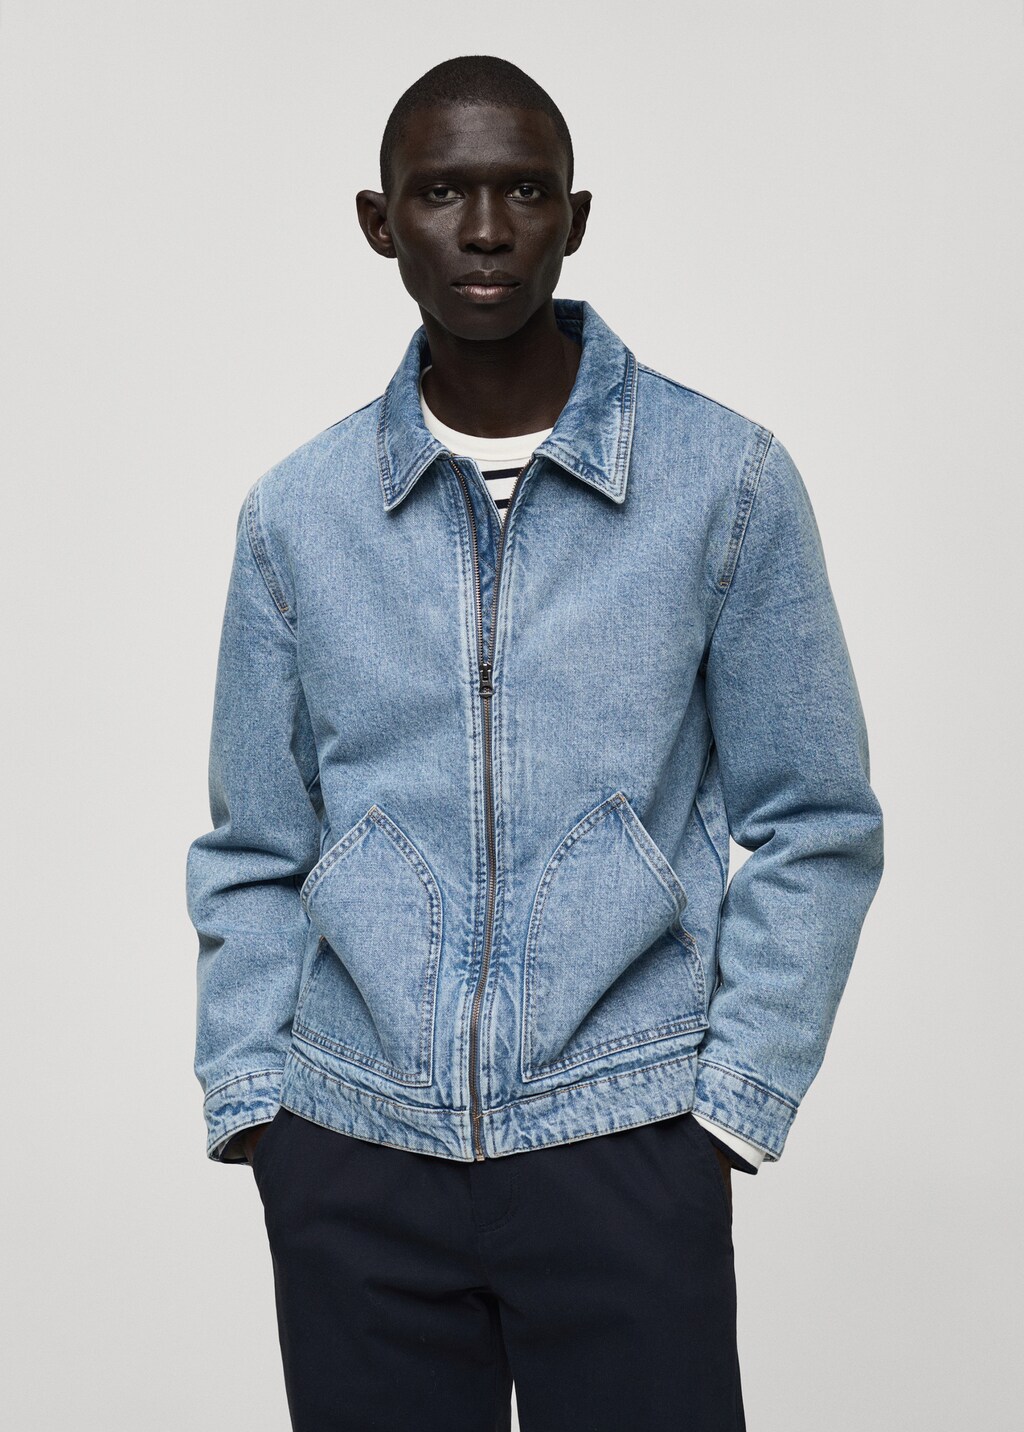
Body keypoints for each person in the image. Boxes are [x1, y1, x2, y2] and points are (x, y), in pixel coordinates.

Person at [186, 54, 884, 1432]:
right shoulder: (298, 515)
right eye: (443, 193)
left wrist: (730, 1107)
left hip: (625, 1140)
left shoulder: (725, 482)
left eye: (523, 192)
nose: (487, 230)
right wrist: (262, 1104)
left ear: (575, 216)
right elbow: (256, 840)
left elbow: (817, 819)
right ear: (381, 223)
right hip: (356, 1150)